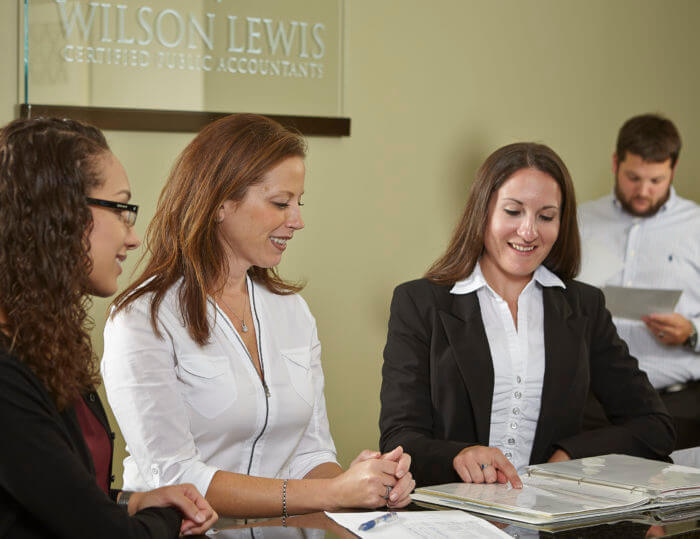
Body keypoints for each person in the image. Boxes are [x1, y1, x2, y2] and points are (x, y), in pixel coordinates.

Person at [101, 113, 414, 518]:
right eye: (281, 203)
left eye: (298, 203)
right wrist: (334, 492)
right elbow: (176, 477)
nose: (297, 221)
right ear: (220, 203)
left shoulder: (292, 312)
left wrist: (366, 484)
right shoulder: (143, 318)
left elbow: (310, 454)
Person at [379, 142, 675, 488]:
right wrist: (458, 456)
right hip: (449, 511)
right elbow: (399, 437)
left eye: (546, 217)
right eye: (513, 211)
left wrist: (571, 455)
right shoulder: (419, 302)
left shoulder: (585, 306)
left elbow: (654, 426)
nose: (529, 231)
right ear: (483, 211)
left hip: (551, 512)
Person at [0, 117, 217, 538]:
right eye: (120, 209)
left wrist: (132, 502)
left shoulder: (40, 343)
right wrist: (172, 517)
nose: (133, 238)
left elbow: (60, 498)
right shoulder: (7, 374)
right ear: (59, 214)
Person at [578, 114, 700, 463]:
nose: (644, 191)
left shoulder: (696, 227)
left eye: (655, 180)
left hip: (678, 406)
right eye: (633, 178)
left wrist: (692, 333)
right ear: (615, 163)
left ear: (673, 170)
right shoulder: (579, 220)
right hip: (591, 405)